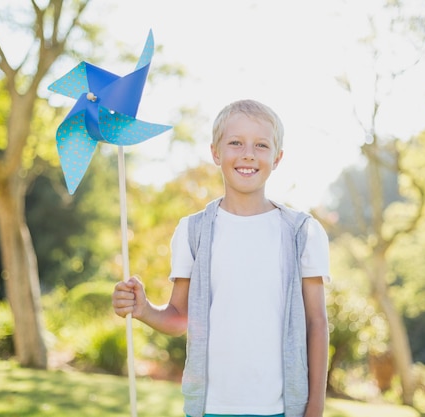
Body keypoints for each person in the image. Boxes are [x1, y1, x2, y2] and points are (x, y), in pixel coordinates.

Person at [113, 99, 330, 417]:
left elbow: (317, 323)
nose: (247, 154)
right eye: (235, 143)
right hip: (210, 407)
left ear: (277, 157)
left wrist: (315, 409)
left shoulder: (302, 233)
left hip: (282, 409)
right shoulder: (193, 231)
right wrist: (143, 309)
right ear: (215, 152)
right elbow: (180, 316)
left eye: (261, 145)